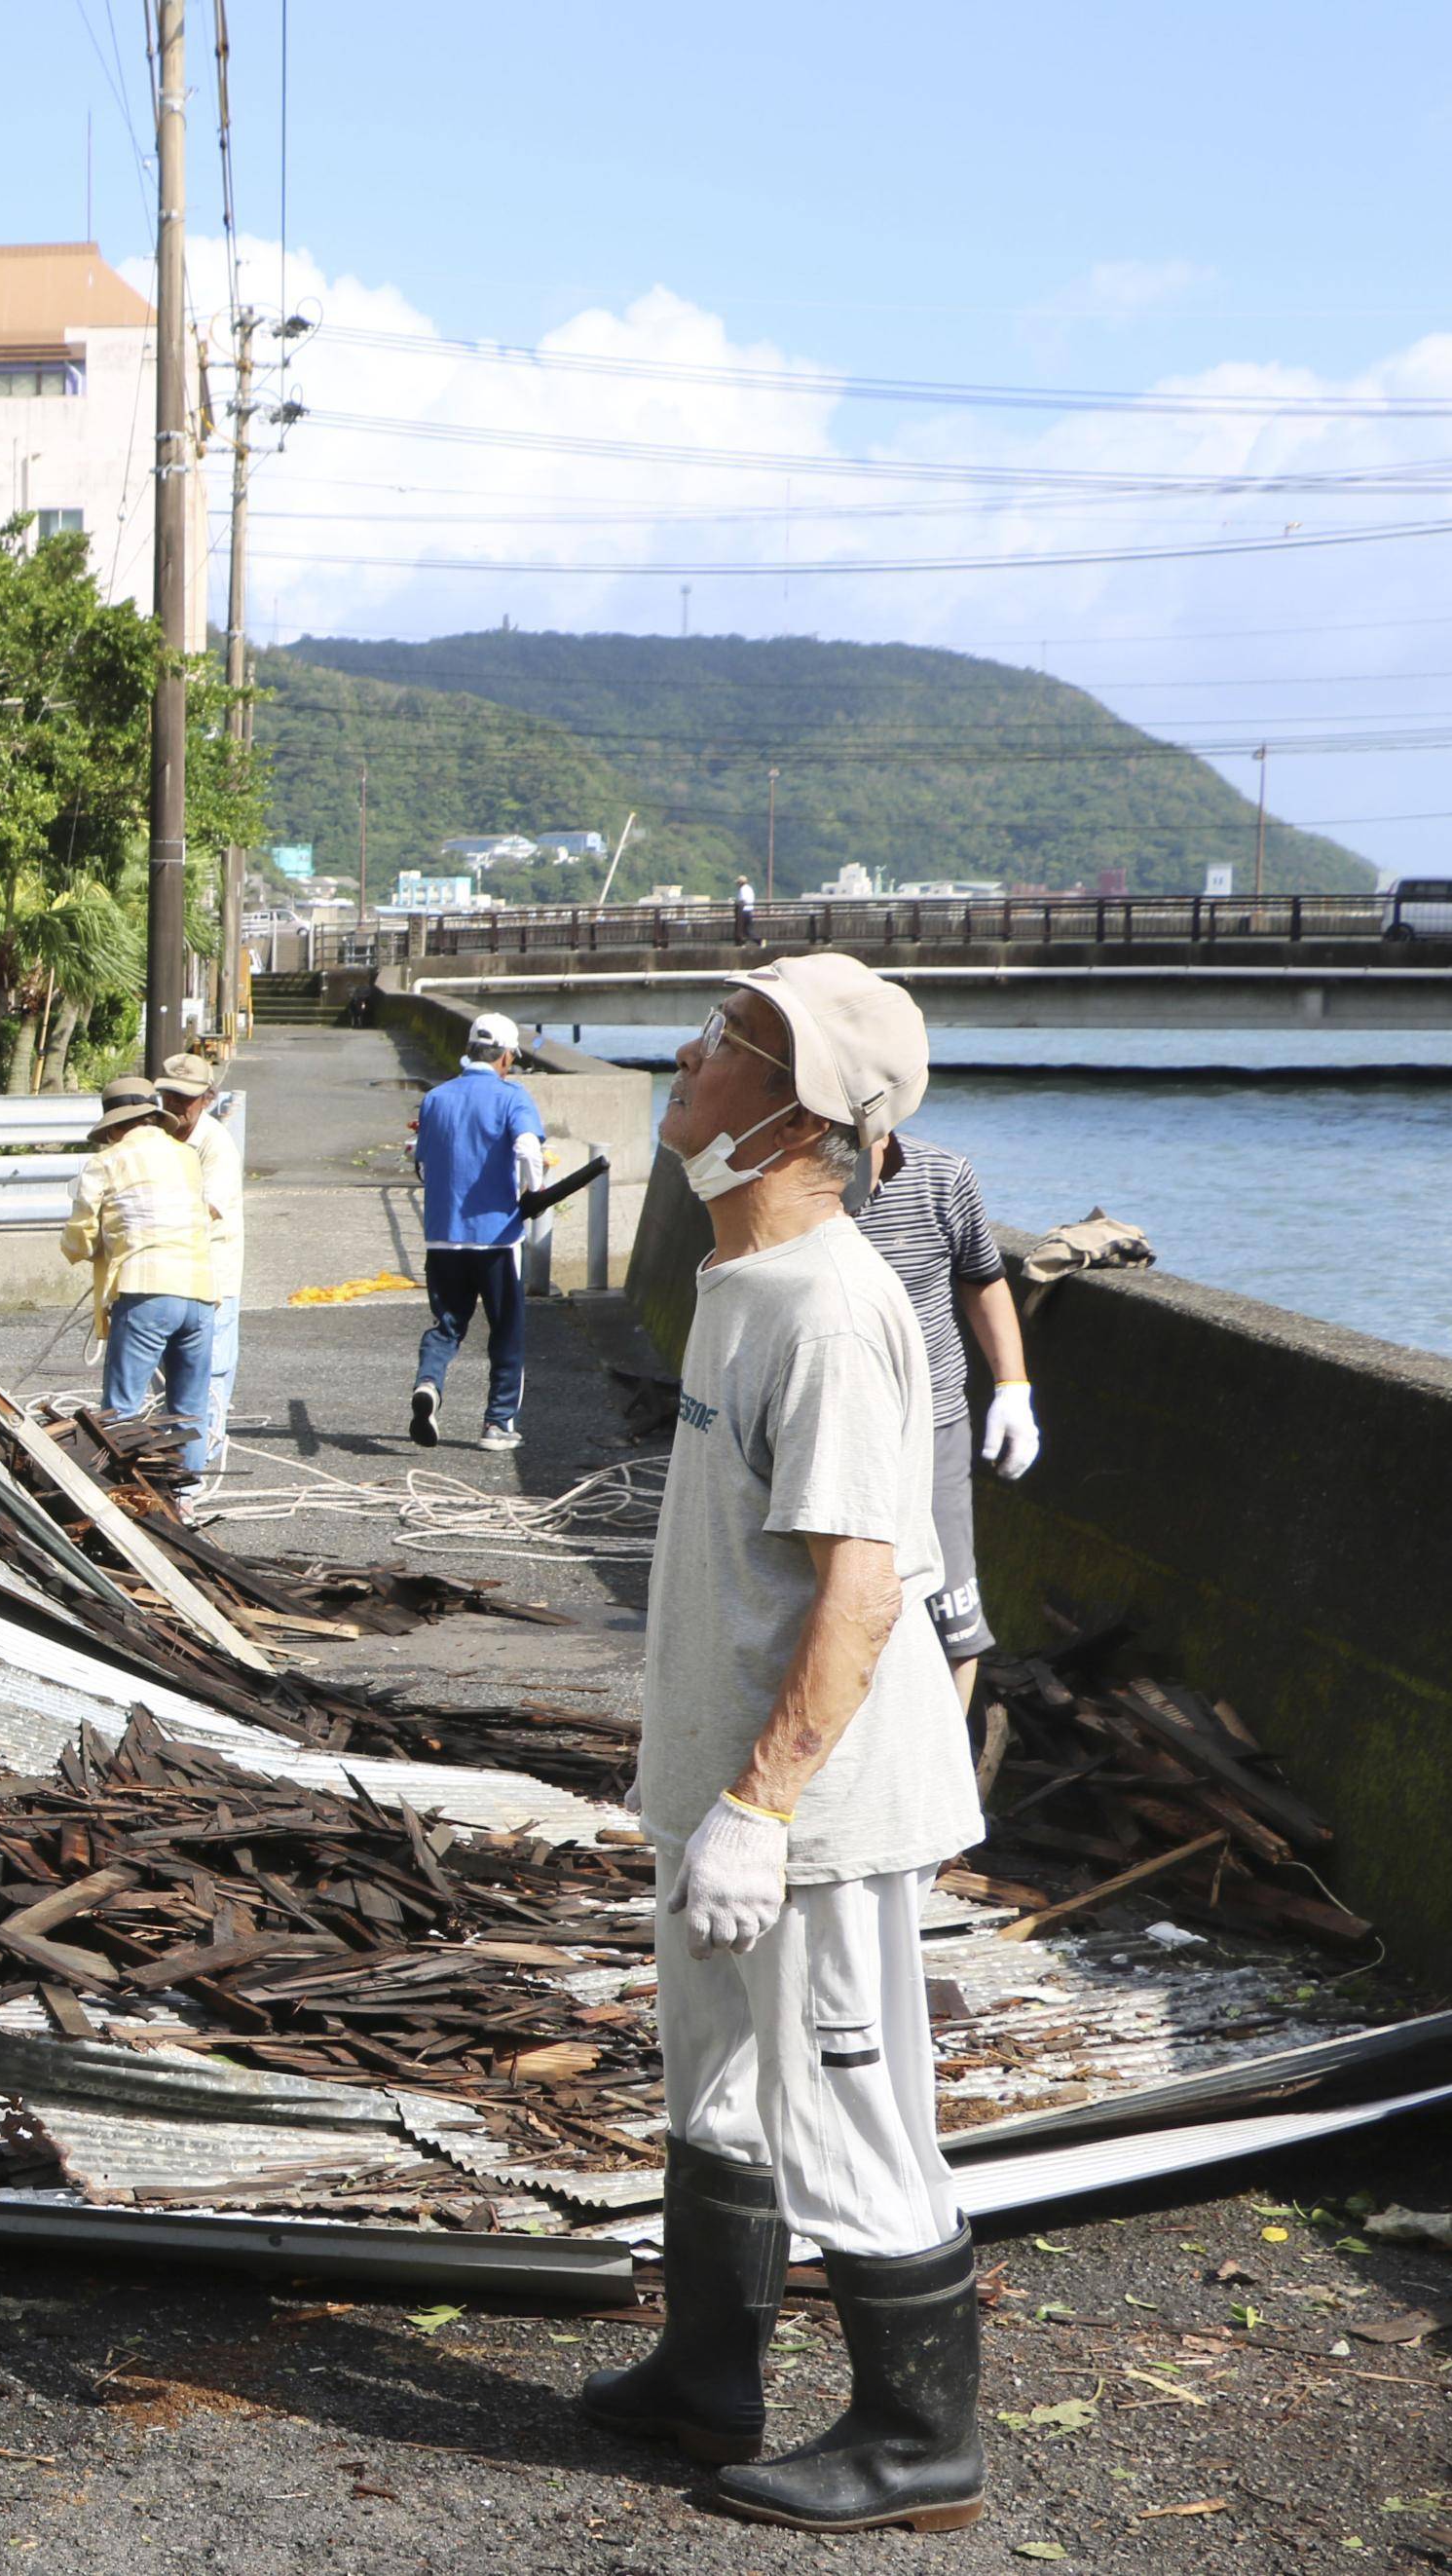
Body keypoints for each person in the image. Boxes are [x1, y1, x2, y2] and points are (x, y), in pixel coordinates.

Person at [581, 952, 987, 2535]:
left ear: (801, 1111)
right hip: (718, 1794)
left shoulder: (827, 1307)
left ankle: (914, 2440)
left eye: (735, 1042)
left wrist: (759, 1806)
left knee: (849, 2111)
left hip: (806, 1810)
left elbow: (864, 1591)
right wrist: (705, 1800)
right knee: (718, 2090)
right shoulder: (733, 1283)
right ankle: (704, 2374)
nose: (693, 1055)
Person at [851, 1132, 1042, 1718]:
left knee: (952, 1617)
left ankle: (947, 1778)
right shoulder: (789, 1178)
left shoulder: (943, 1175)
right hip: (834, 1426)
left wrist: (1012, 1389)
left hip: (933, 1423)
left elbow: (983, 1279)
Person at [59, 1076, 219, 1471]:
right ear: (152, 1116)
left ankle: (127, 1502)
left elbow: (79, 1236)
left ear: (115, 1125)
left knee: (122, 1410)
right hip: (200, 1291)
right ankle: (186, 1499)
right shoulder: (186, 1156)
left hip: (146, 1289)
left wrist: (85, 1249)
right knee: (189, 1410)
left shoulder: (106, 1162)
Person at [406, 1009, 543, 1452]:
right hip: (497, 1236)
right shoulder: (512, 1097)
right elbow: (526, 1147)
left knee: (446, 1324)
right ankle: (498, 1424)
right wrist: (533, 1191)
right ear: (505, 1057)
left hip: (442, 1235)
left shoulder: (436, 1098)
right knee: (506, 1330)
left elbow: (423, 1164)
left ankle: (429, 1383)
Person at [157, 1052, 245, 1452]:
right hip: (168, 1275)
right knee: (167, 1375)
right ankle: (173, 1464)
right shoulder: (157, 1137)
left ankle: (199, 1468)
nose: (174, 1104)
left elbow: (207, 1209)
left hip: (212, 1279)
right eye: (169, 1094)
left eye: (185, 1097)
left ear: (208, 1098)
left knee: (207, 1374)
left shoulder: (215, 1144)